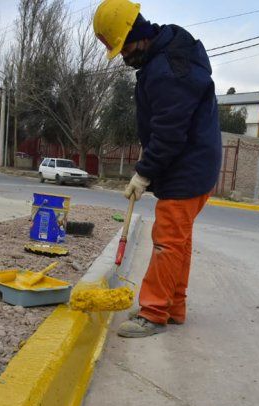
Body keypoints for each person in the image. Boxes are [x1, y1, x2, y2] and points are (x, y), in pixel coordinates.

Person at [93, 0, 222, 338]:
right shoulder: (168, 56)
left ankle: (153, 313)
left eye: (124, 48)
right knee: (179, 242)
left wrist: (143, 172)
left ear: (137, 35)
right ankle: (172, 306)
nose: (124, 57)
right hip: (193, 165)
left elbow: (169, 132)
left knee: (167, 241)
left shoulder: (168, 70)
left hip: (187, 169)